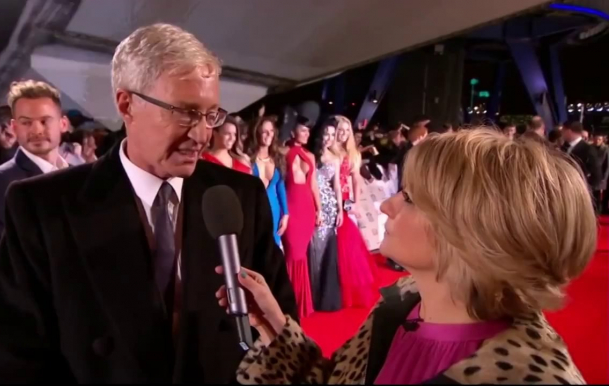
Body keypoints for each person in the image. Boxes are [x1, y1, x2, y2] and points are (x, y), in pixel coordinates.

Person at [0, 23, 296, 384]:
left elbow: (280, 323)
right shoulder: (42, 206)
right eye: (185, 112)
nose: (202, 134)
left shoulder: (240, 195)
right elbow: (12, 362)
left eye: (210, 115)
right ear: (127, 104)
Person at [218, 128, 595, 385]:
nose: (386, 205)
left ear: (473, 231)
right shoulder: (399, 310)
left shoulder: (529, 376)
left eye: (411, 198)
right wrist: (276, 330)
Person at [0, 80, 69, 282]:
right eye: (26, 122)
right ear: (14, 127)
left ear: (63, 124)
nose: (36, 130)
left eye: (44, 120)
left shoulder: (79, 176)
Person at [331, 115, 379, 308]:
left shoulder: (352, 153)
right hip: (328, 199)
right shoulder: (328, 150)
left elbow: (355, 180)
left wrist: (355, 204)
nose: (342, 134)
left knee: (347, 240)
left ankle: (346, 289)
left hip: (344, 200)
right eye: (339, 130)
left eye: (345, 130)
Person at [282, 117, 320, 318]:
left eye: (308, 131)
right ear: (292, 132)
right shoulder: (282, 152)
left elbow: (313, 185)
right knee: (291, 253)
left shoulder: (310, 156)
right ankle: (287, 301)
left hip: (306, 209)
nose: (306, 134)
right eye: (302, 130)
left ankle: (301, 303)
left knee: (301, 255)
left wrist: (319, 209)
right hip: (290, 208)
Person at [307, 118, 343, 312]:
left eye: (332, 135)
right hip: (310, 205)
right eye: (326, 134)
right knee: (313, 249)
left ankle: (323, 297)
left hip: (329, 208)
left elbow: (336, 185)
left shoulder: (335, 158)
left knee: (324, 252)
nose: (328, 138)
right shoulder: (309, 154)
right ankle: (310, 296)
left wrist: (340, 209)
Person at [245, 115, 289, 248]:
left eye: (271, 131)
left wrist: (286, 214)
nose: (269, 134)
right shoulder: (247, 159)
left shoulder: (278, 158)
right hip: (254, 214)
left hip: (274, 213)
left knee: (272, 251)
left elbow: (280, 188)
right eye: (265, 131)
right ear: (256, 133)